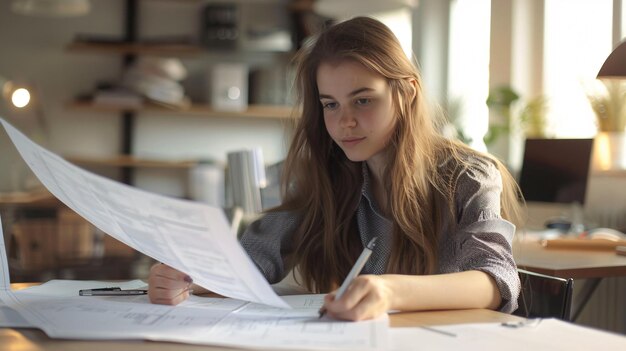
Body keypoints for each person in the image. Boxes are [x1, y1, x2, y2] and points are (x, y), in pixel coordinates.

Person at [148, 16, 523, 321]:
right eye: (331, 104)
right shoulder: (329, 174)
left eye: (362, 100)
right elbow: (255, 257)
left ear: (406, 93)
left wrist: (390, 290)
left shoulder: (468, 176)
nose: (345, 122)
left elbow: (495, 280)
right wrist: (188, 276)